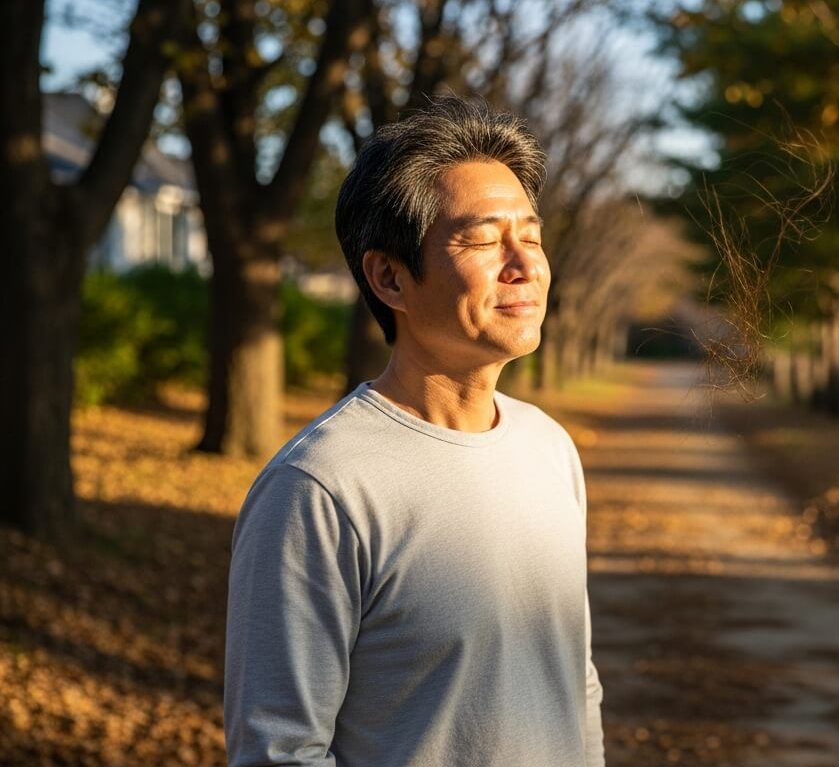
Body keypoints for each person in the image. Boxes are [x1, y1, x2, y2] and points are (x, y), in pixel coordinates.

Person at [223, 96, 605, 767]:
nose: (525, 265)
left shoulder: (549, 448)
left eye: (533, 236)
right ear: (389, 276)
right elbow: (278, 750)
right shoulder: (321, 488)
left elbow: (574, 682)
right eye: (485, 239)